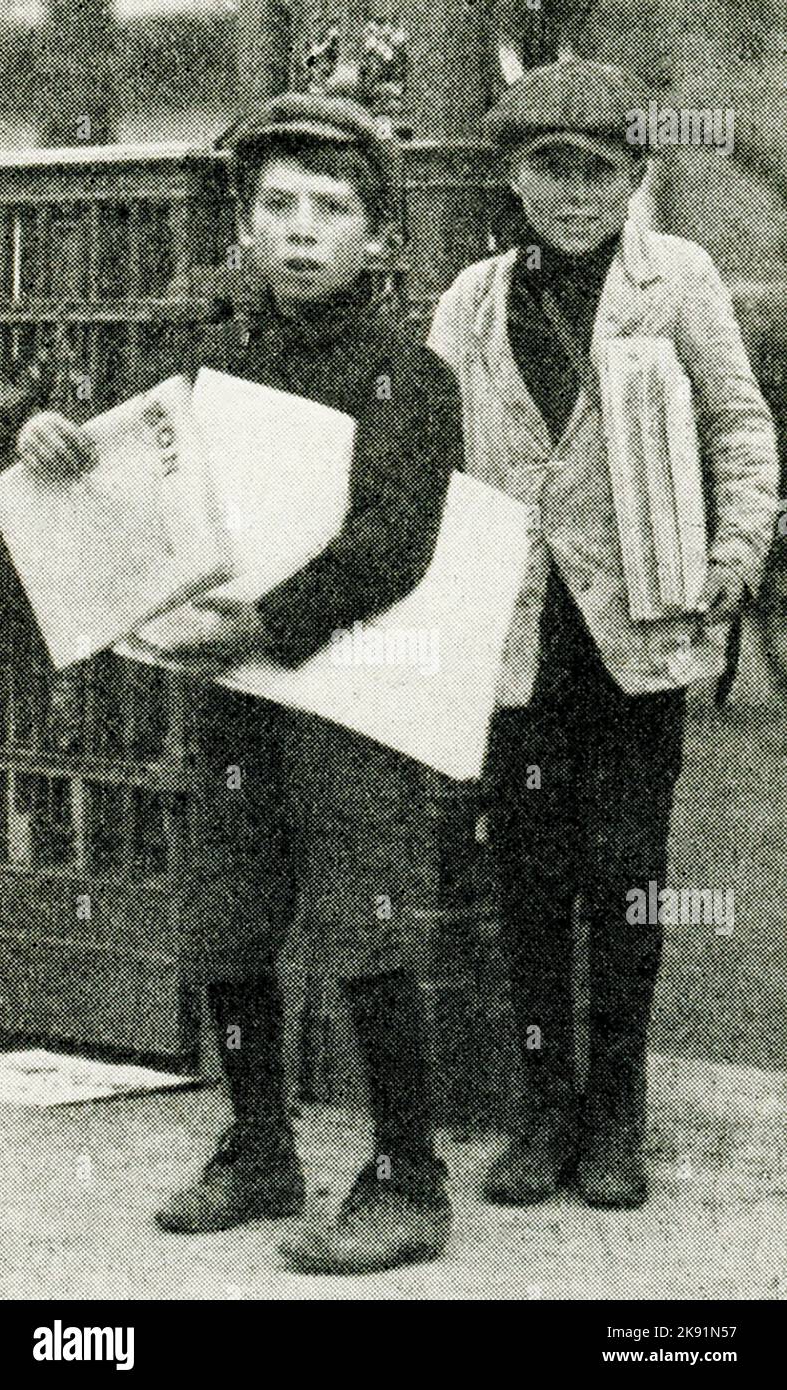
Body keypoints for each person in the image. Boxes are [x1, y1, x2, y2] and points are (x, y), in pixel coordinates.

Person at [17, 91, 463, 1273]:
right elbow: (134, 478)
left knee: (366, 921)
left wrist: (270, 617)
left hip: (349, 694)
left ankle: (410, 1176)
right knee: (228, 914)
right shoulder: (215, 360)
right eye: (278, 205)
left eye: (333, 208)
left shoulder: (408, 377)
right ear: (246, 226)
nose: (303, 230)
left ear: (380, 236)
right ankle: (260, 1144)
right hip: (230, 695)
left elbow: (391, 542)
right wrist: (57, 445)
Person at [428, 56, 779, 1208]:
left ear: (637, 173)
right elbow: (428, 462)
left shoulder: (675, 276)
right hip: (521, 638)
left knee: (627, 875)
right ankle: (543, 1116)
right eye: (549, 168)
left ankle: (617, 1116)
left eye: (600, 170)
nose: (575, 194)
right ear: (512, 176)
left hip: (640, 634)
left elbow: (739, 425)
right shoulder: (472, 299)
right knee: (530, 880)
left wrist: (735, 552)